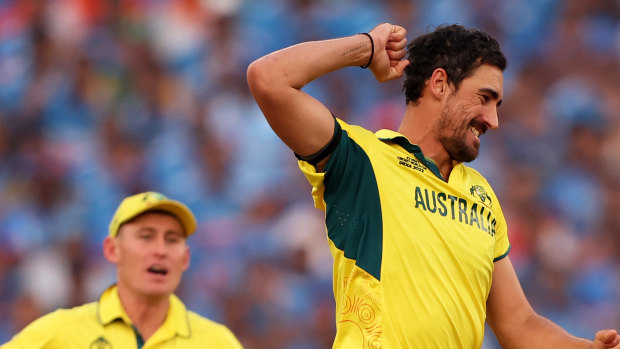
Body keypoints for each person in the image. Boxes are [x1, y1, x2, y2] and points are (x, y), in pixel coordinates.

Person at [247, 22, 620, 348]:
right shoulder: (364, 161)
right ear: (440, 83)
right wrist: (368, 47)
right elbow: (268, 78)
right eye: (484, 98)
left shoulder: (482, 195)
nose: (493, 120)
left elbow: (518, 324)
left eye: (498, 105)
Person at [2, 191, 244, 348]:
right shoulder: (62, 333)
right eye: (146, 237)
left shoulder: (216, 343)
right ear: (111, 249)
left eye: (172, 239)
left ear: (185, 258)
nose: (160, 250)